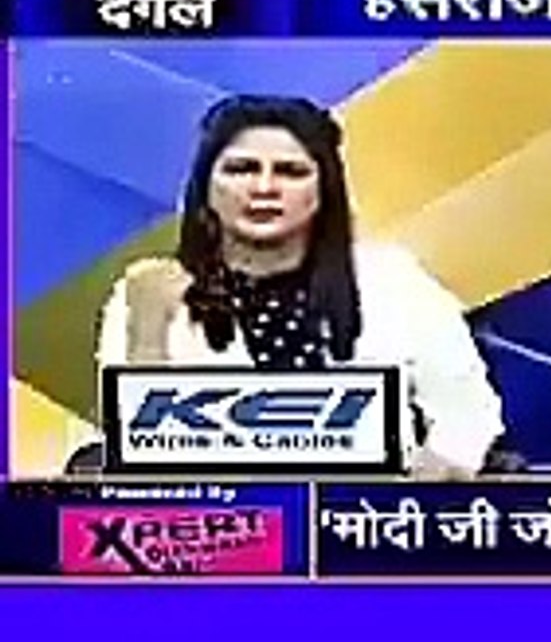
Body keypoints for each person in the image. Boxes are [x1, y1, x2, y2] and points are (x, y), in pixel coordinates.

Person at [76, 94, 505, 478]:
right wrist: (148, 335)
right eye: (241, 169)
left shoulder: (392, 281)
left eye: (290, 171)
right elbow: (132, 460)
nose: (264, 188)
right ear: (205, 187)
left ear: (323, 188)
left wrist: (434, 476)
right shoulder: (148, 291)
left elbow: (468, 412)